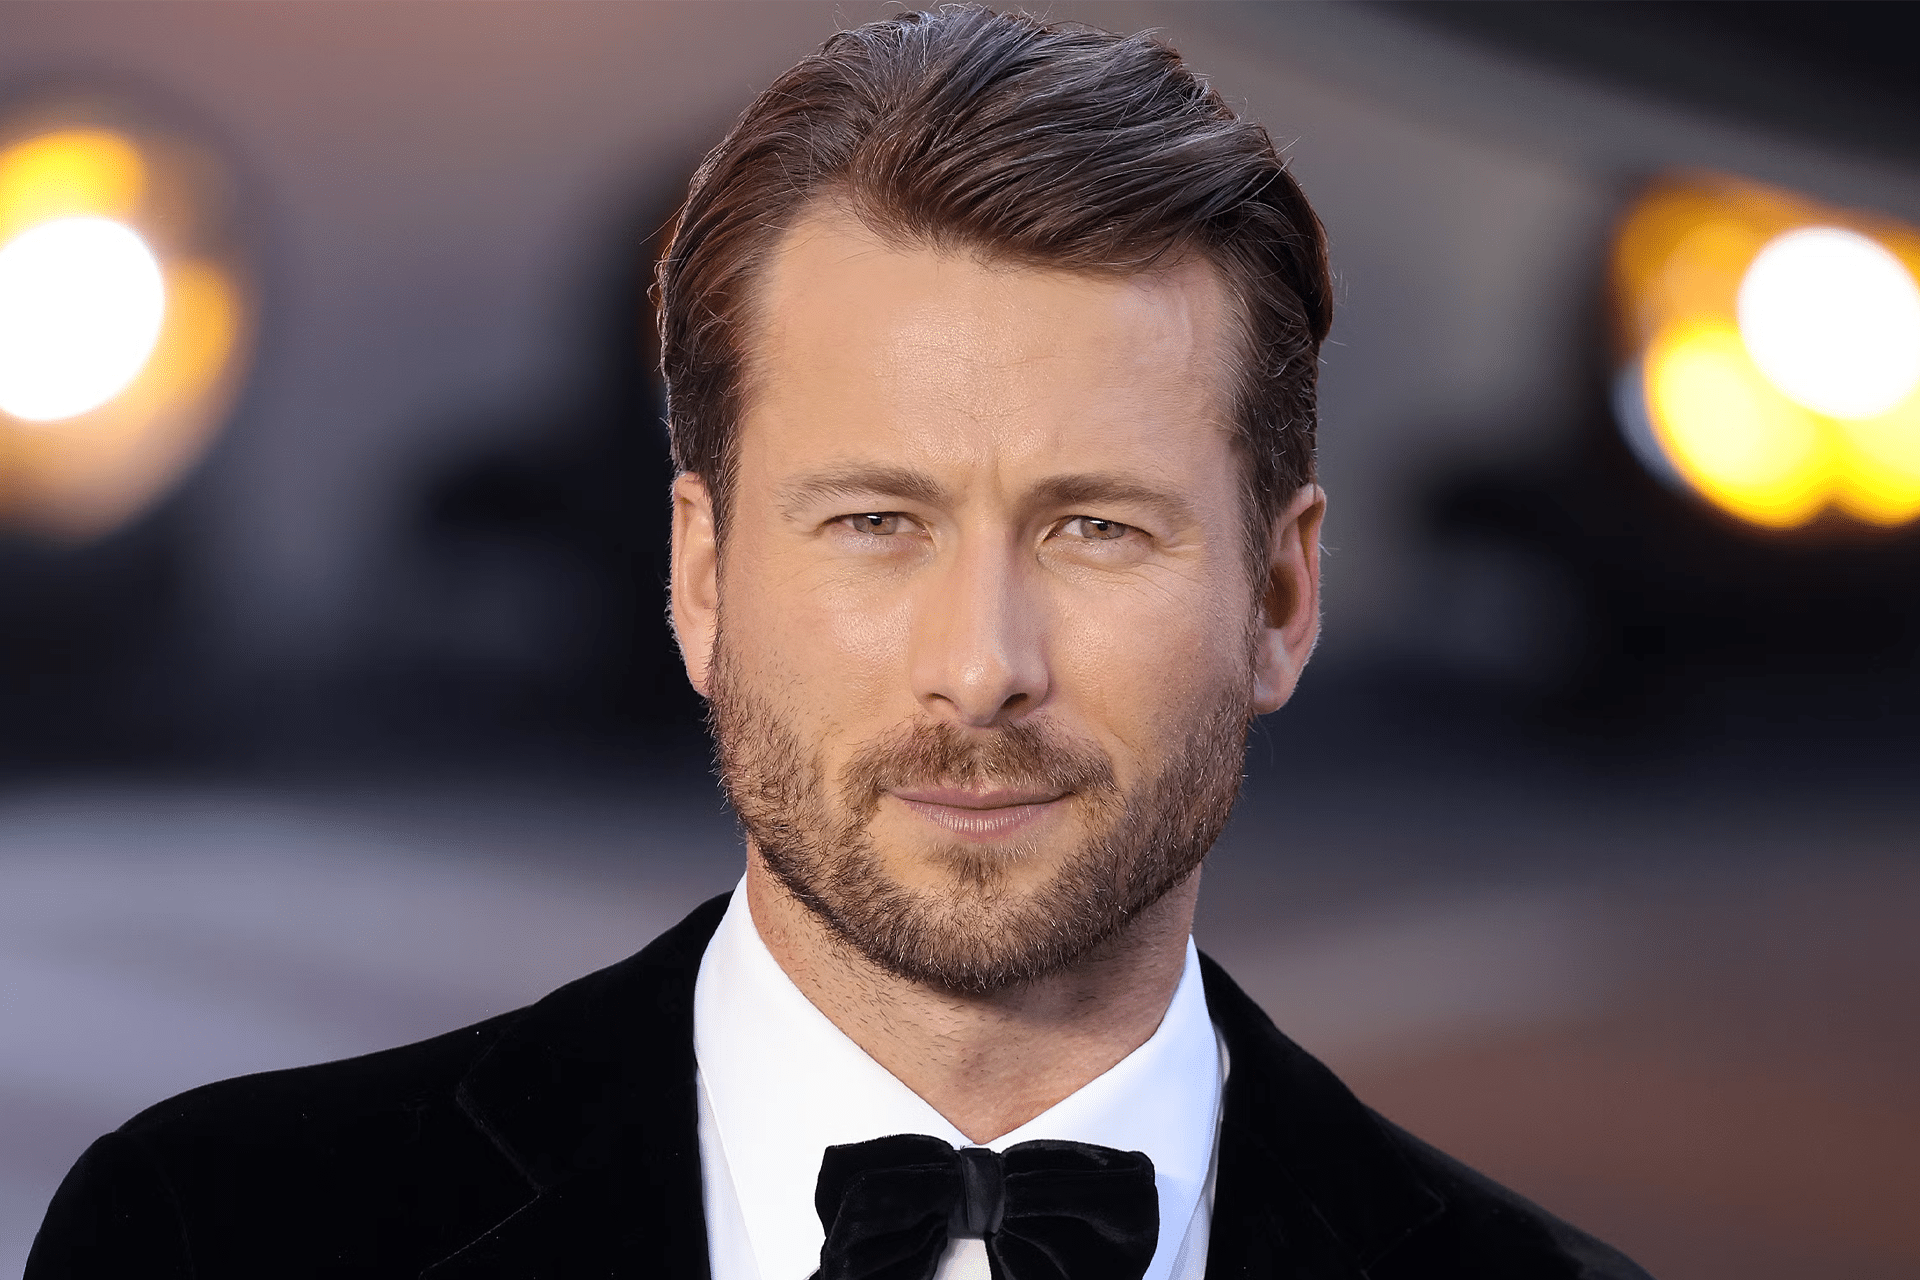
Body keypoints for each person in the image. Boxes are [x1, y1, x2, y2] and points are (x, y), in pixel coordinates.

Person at [29, 9, 1651, 1279]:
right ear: (703, 579)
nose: (980, 666)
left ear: (1282, 601)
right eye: (877, 522)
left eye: (1098, 528)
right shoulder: (215, 1235)